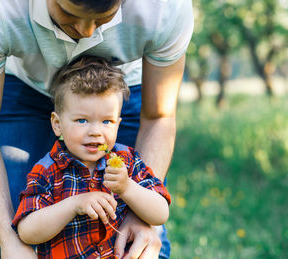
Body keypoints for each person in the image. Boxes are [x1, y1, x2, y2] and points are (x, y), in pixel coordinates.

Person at [0, 0, 193, 258]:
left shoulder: (164, 3)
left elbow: (159, 116)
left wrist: (141, 217)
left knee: (144, 243)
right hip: (23, 85)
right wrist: (10, 243)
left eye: (103, 18)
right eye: (69, 13)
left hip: (116, 91)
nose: (86, 32)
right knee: (10, 240)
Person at [11, 56, 171, 258]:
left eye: (106, 121)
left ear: (118, 124)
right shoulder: (48, 170)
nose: (95, 131)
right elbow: (27, 232)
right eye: (82, 120)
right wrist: (74, 205)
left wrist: (127, 187)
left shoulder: (127, 161)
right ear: (57, 124)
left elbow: (160, 213)